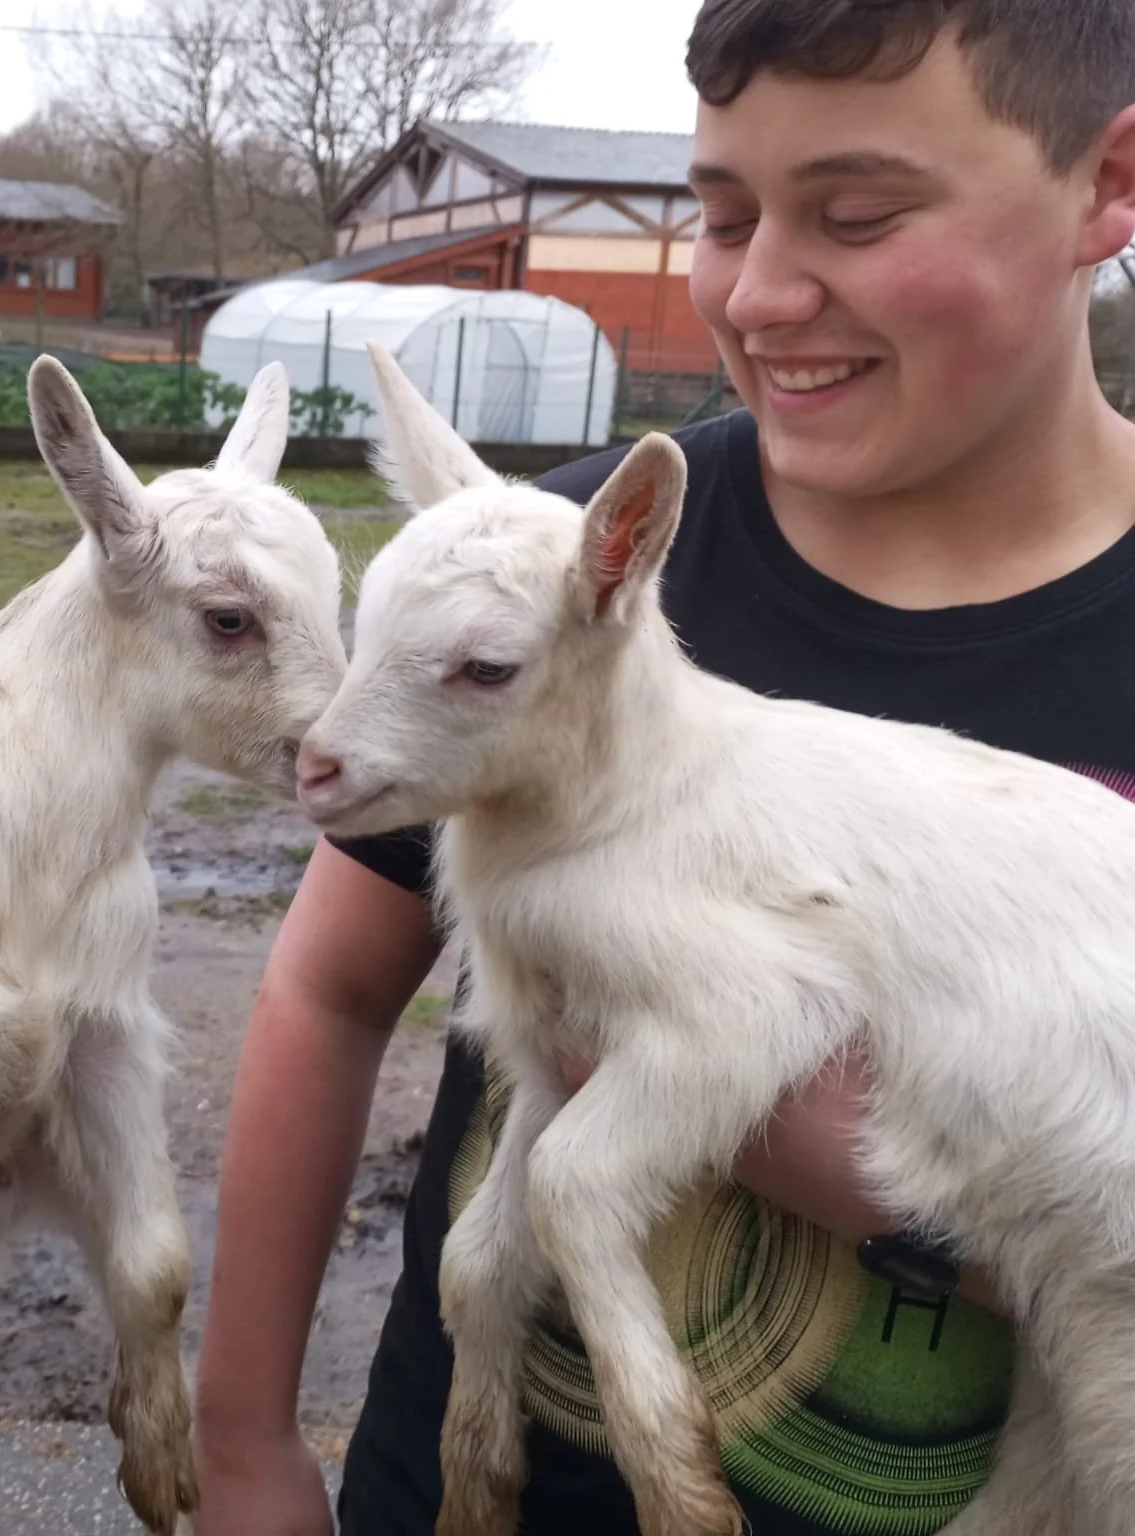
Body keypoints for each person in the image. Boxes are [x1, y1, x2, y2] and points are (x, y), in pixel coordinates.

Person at [192, 1, 1135, 1532]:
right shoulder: (537, 554)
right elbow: (327, 985)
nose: (760, 293)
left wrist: (913, 1189)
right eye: (719, 214)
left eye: (859, 214)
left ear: (1104, 188)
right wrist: (241, 1440)